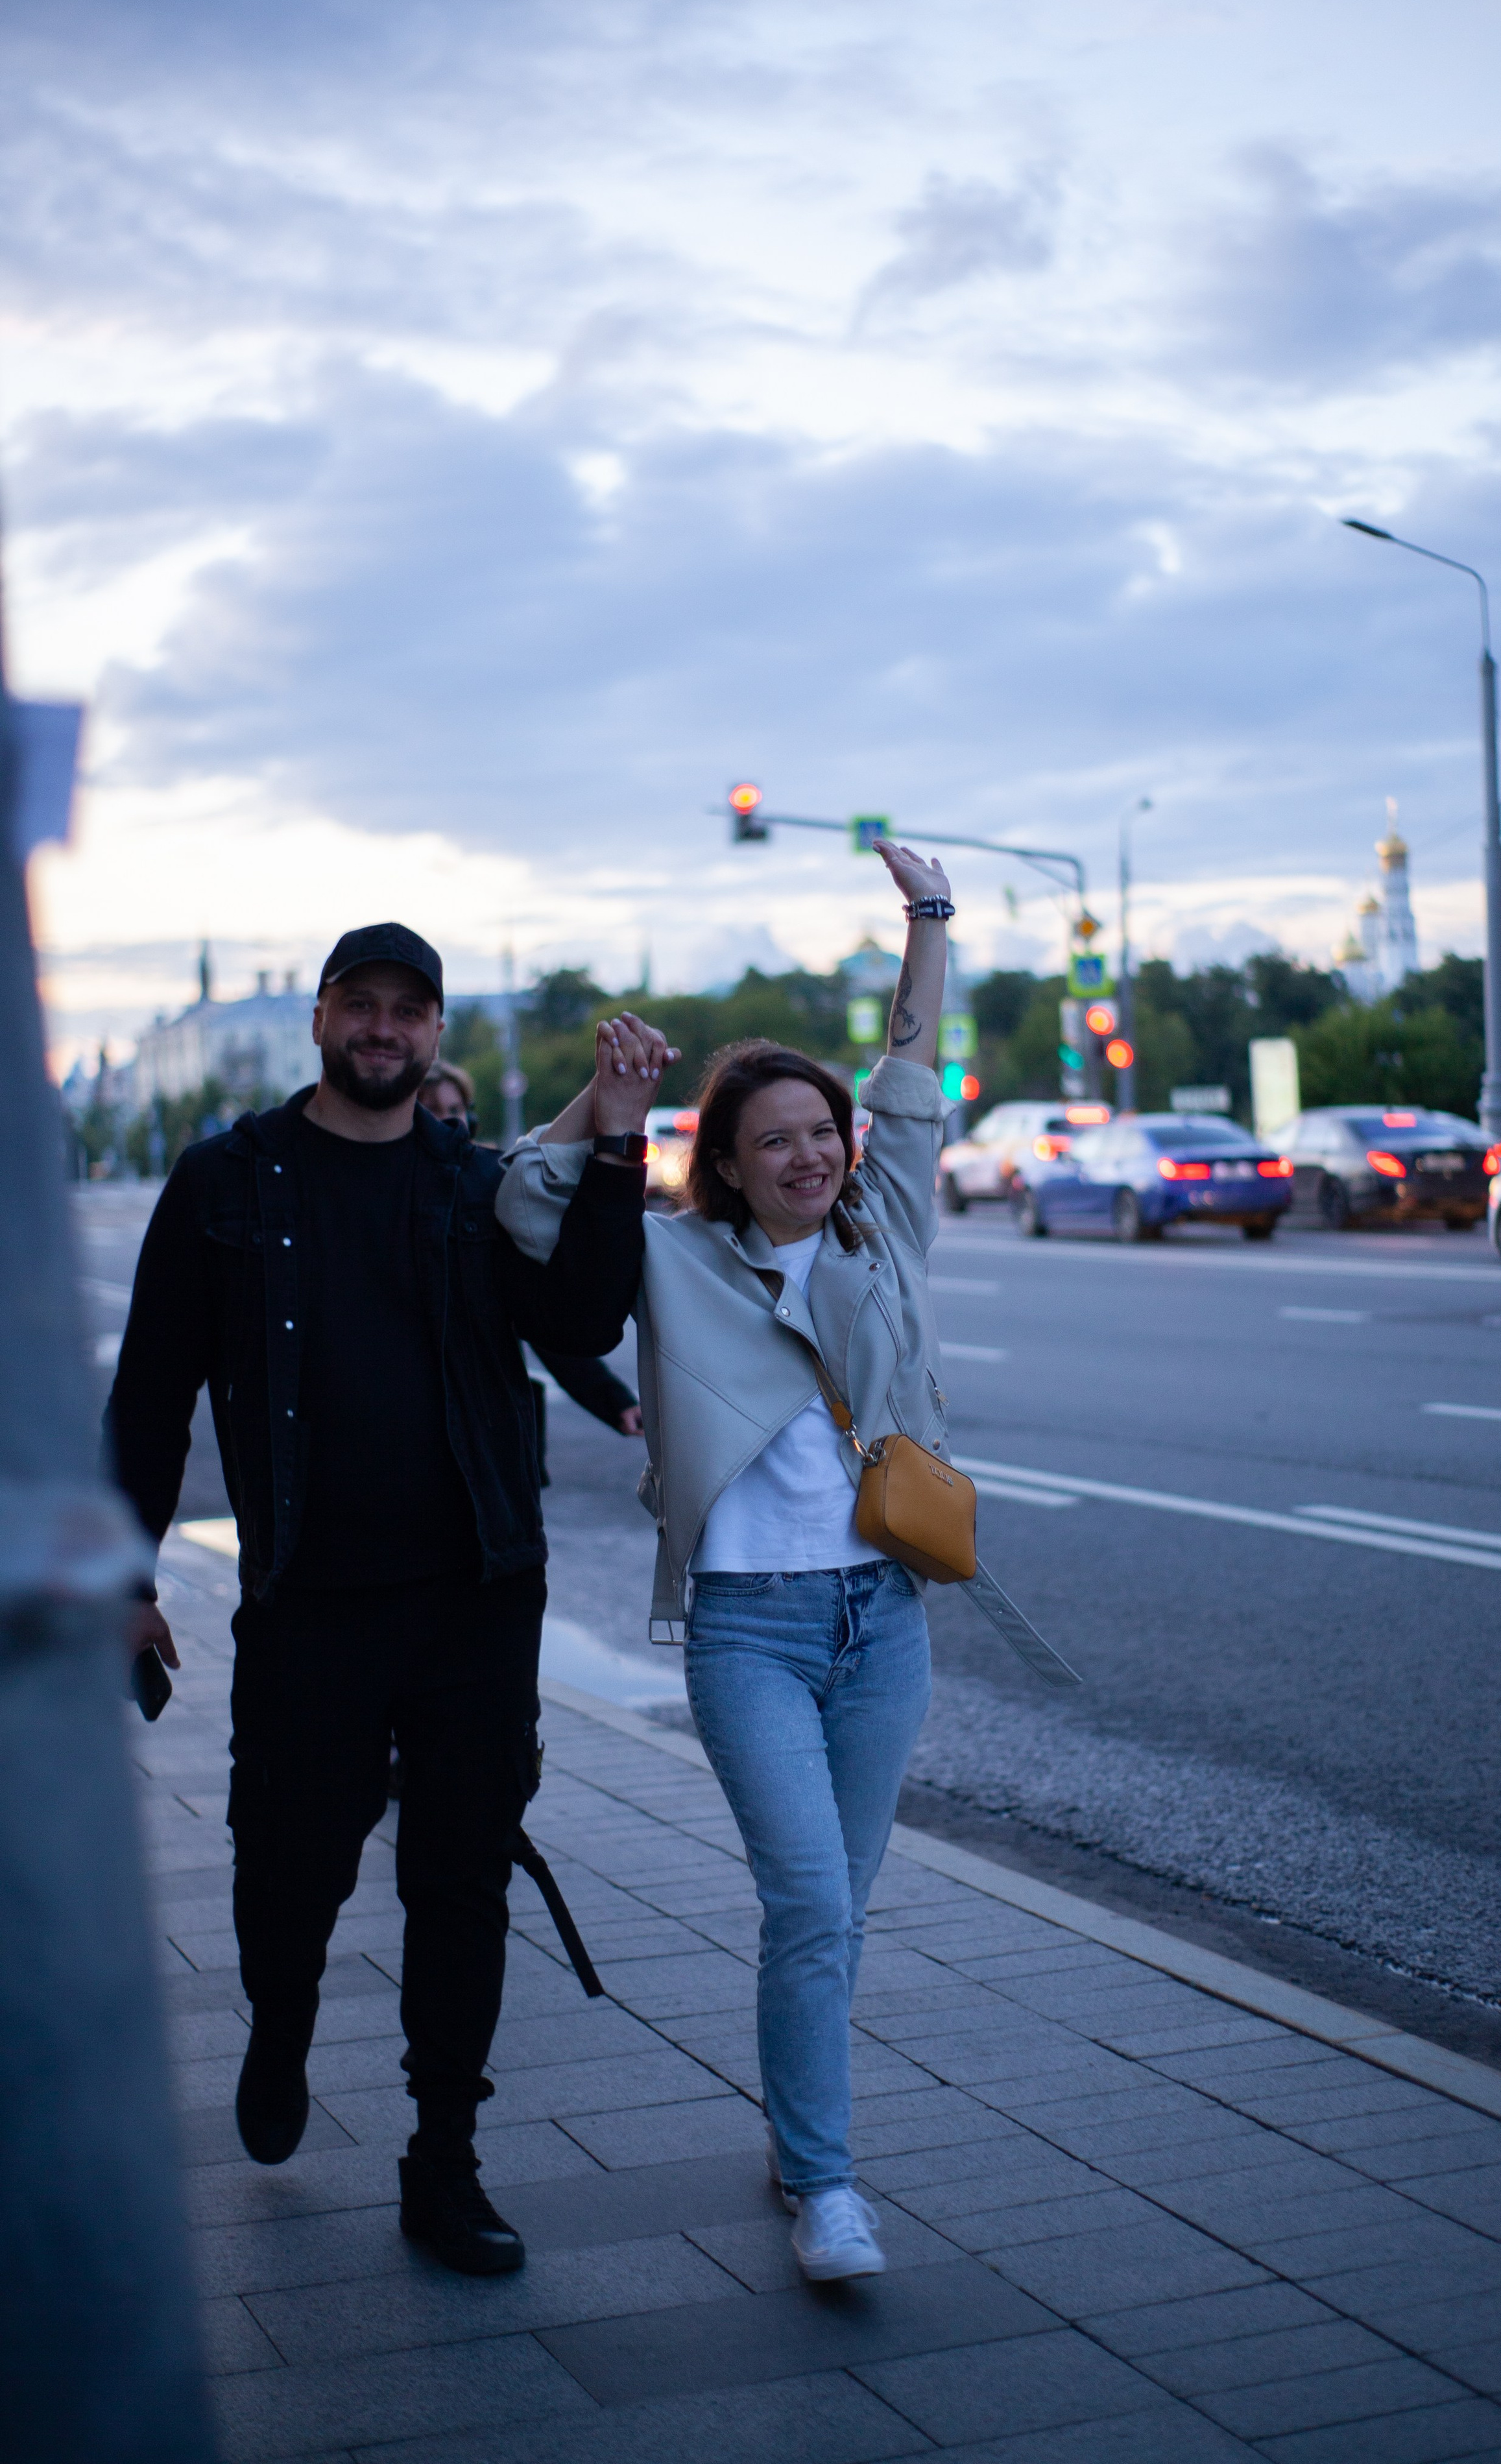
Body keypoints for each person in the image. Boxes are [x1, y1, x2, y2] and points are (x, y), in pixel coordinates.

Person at [106, 922, 669, 2275]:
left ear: (434, 1039)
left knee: (460, 1880)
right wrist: (126, 1577)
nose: (384, 1029)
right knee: (287, 1871)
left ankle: (444, 2165)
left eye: (409, 1012)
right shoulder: (224, 1183)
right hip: (307, 1600)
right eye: (360, 1005)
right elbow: (149, 1398)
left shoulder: (479, 1185)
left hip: (478, 1595)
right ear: (318, 1021)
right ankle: (282, 2018)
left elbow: (584, 1320)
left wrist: (620, 1144)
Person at [496, 843, 955, 2282]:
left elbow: (910, 1075)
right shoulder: (669, 1258)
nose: (811, 1153)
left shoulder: (888, 1230)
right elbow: (520, 1196)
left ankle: (794, 2140)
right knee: (809, 1902)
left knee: (838, 1909)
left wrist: (928, 922)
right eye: (776, 1140)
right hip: (749, 1631)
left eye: (822, 1130)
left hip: (882, 1622)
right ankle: (826, 2187)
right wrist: (605, 1101)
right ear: (729, 1163)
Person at [418, 1059, 643, 1440]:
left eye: (455, 1110)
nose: (448, 1121)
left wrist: (613, 1400)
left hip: (491, 1422)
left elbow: (542, 1318)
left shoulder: (491, 1184)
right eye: (433, 1111)